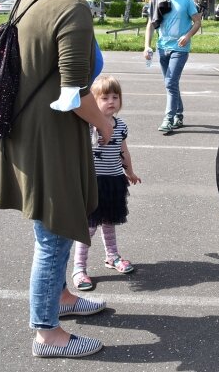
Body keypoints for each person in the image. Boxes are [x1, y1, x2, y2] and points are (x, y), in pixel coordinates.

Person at [0, 0, 117, 359]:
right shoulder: (72, 6)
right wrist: (104, 123)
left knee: (56, 228)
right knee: (53, 235)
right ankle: (47, 333)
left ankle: (63, 298)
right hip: (49, 135)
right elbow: (73, 95)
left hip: (27, 129)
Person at [72, 75, 141, 292]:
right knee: (89, 227)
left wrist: (129, 171)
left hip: (113, 182)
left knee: (110, 222)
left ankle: (112, 256)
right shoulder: (88, 126)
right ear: (93, 102)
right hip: (93, 184)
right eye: (104, 98)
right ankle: (79, 267)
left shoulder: (120, 126)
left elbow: (123, 151)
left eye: (115, 97)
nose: (111, 101)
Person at [143, 0, 202, 133]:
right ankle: (179, 115)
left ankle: (168, 118)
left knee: (169, 82)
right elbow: (150, 24)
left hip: (180, 48)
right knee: (172, 84)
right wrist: (147, 46)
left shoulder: (186, 0)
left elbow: (197, 22)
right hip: (162, 48)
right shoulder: (155, 0)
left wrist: (188, 35)